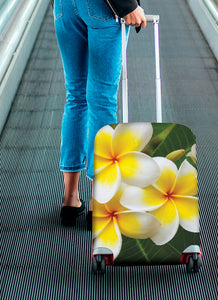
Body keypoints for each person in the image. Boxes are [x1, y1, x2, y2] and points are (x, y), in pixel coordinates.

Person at [53, 0, 146, 226]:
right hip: (103, 8)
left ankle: (70, 198)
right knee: (101, 101)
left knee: (75, 97)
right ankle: (100, 203)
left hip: (64, 7)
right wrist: (128, 5)